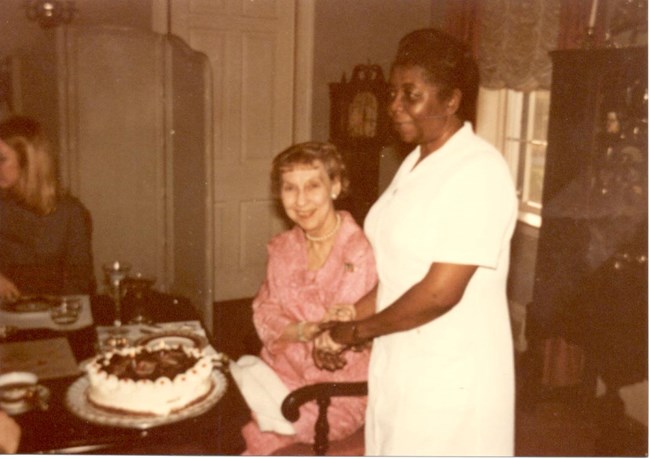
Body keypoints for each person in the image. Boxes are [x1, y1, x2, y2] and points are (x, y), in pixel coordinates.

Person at [316, 28, 518, 456]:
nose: (394, 107)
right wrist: (352, 314)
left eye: (411, 95)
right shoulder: (415, 160)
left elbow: (441, 292)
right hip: (403, 355)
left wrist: (354, 331)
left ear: (452, 100)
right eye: (393, 93)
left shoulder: (478, 171)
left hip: (451, 369)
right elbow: (399, 271)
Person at [240, 141, 377, 455]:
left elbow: (345, 332)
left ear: (335, 187)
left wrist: (324, 331)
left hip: (336, 390)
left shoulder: (359, 251)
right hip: (277, 377)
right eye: (289, 188)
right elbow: (264, 308)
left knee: (264, 431)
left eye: (312, 186)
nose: (300, 201)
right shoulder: (282, 247)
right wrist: (300, 331)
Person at [0, 115, 96, 300]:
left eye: (2, 159)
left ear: (28, 161)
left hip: (57, 321)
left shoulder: (71, 213)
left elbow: (80, 284)